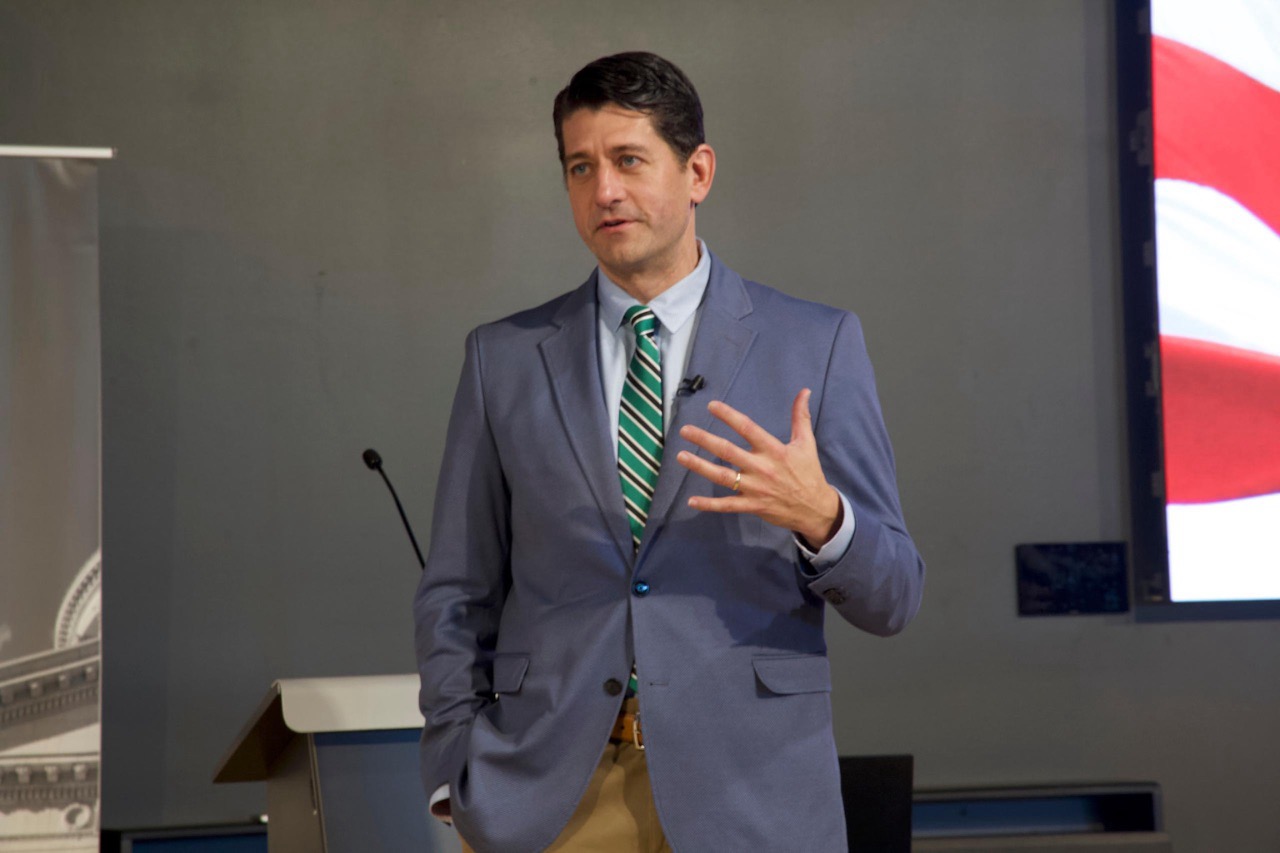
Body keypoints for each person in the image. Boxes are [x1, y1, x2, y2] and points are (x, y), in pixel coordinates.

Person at [413, 51, 925, 853]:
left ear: (698, 172)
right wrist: (454, 771)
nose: (603, 190)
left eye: (627, 160)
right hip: (548, 799)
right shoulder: (502, 358)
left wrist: (823, 520)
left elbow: (895, 594)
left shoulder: (815, 345)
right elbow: (456, 590)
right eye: (580, 167)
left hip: (751, 793)